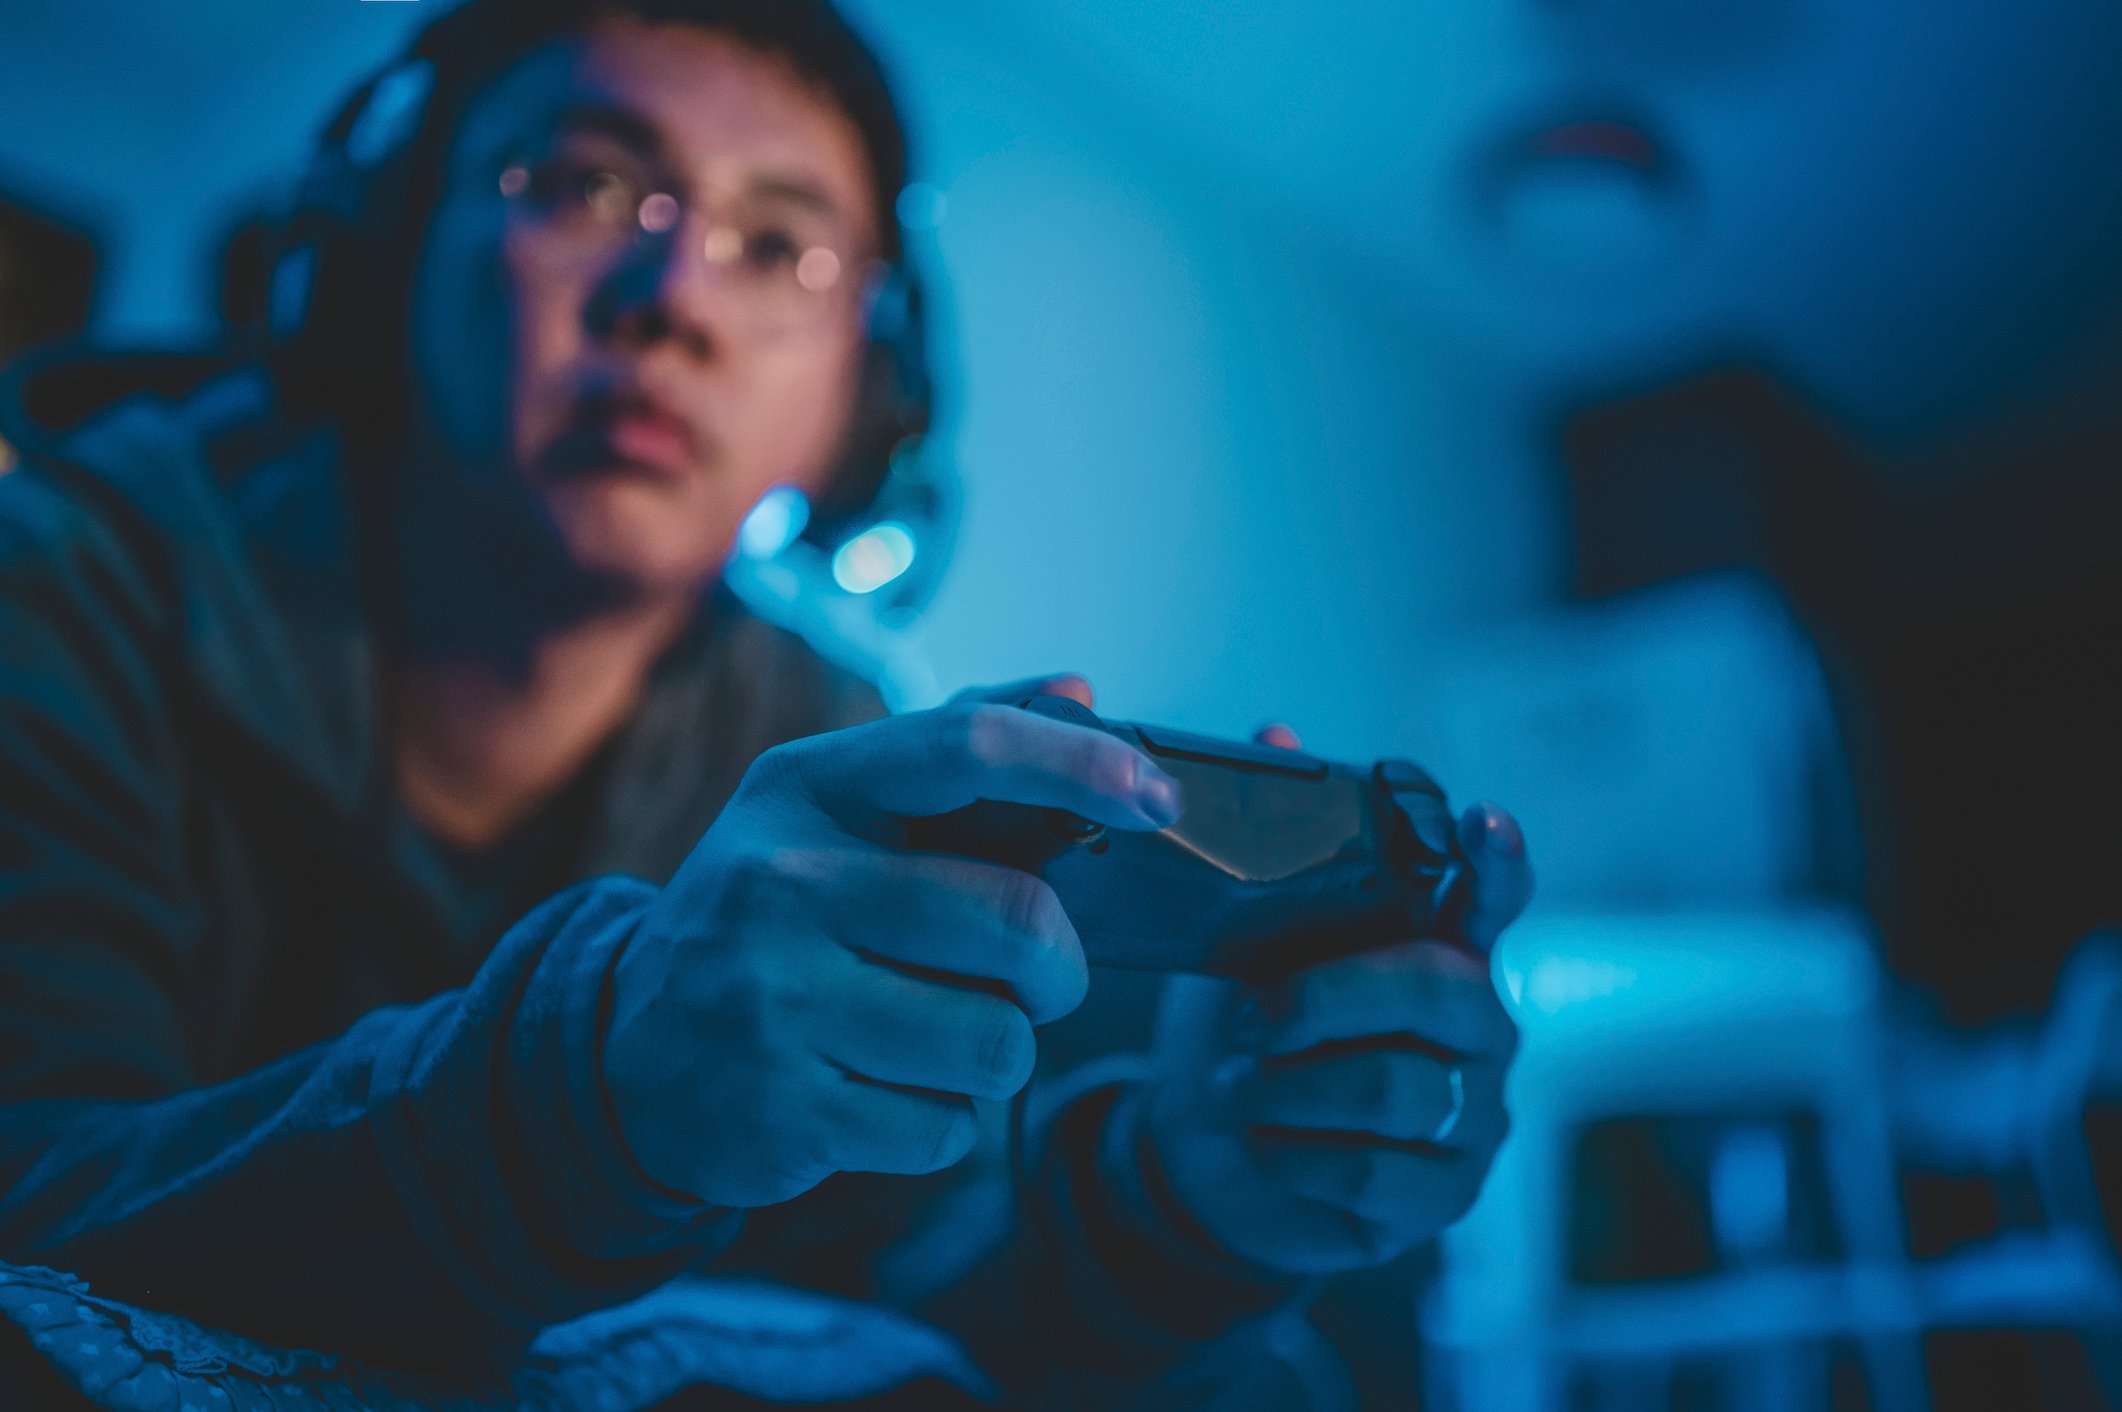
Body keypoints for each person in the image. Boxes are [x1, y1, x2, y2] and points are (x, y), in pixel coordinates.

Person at [0, 0, 1532, 1407]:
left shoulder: (820, 724)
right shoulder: (58, 584)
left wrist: (1178, 1207)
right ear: (390, 243)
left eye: (783, 247)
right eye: (585, 184)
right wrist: (585, 1099)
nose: (674, 299)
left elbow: (904, 1291)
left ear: (862, 398)